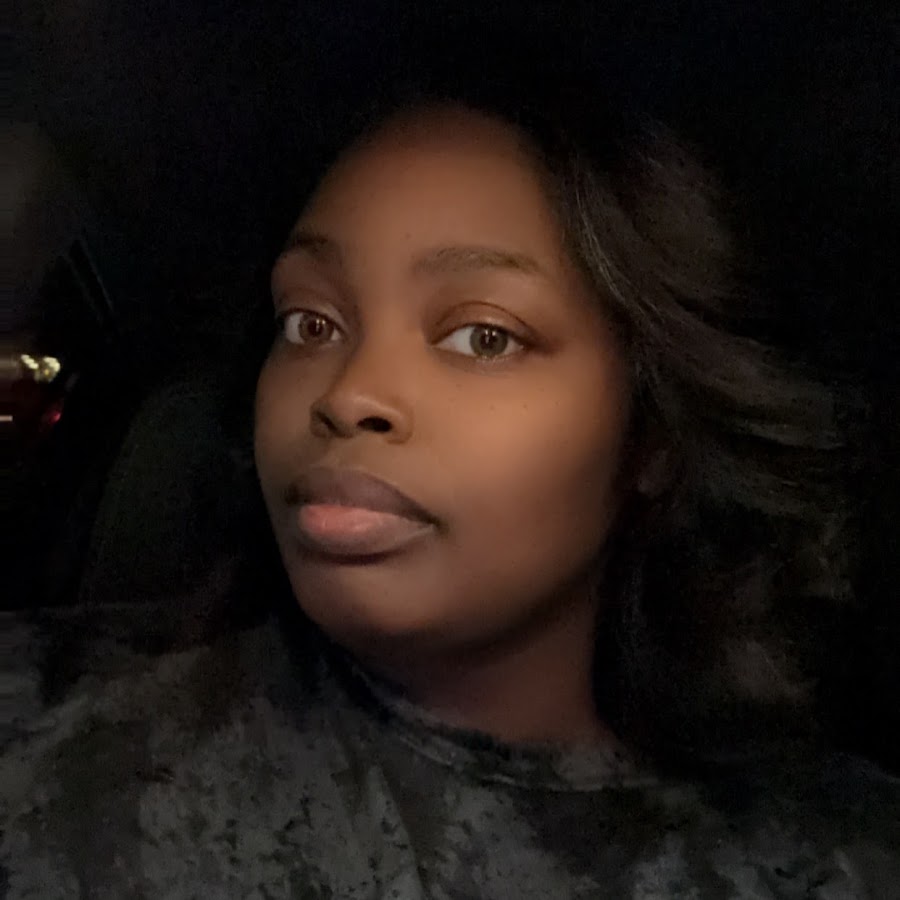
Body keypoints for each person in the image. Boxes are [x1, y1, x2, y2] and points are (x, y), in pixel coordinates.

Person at [2, 82, 898, 898]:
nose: (349, 393)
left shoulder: (837, 860)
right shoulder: (38, 714)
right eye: (310, 323)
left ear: (653, 438)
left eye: (483, 337)